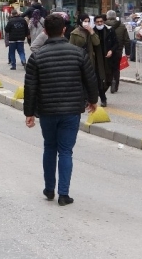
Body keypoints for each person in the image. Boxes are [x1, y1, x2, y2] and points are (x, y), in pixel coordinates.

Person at [24, 14, 98, 206]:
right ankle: (64, 194)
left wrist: (29, 113)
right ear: (64, 30)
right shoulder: (78, 53)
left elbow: (30, 87)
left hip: (47, 110)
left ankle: (49, 189)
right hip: (71, 110)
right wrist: (93, 100)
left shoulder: (37, 57)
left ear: (45, 31)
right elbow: (90, 79)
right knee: (66, 151)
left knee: (49, 147)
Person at [69, 14, 102, 103]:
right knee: (81, 79)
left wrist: (92, 32)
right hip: (79, 58)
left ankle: (88, 98)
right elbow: (71, 46)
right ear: (80, 21)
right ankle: (82, 98)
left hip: (90, 58)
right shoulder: (74, 33)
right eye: (84, 21)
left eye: (88, 21)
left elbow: (97, 43)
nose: (86, 23)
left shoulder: (91, 31)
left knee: (89, 79)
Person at [92, 15, 116, 107]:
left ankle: (101, 91)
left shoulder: (110, 30)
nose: (99, 23)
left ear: (104, 21)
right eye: (97, 21)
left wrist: (111, 50)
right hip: (97, 59)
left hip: (108, 58)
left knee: (109, 79)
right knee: (99, 79)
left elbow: (115, 43)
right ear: (94, 22)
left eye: (101, 21)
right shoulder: (92, 32)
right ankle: (103, 98)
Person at [105, 10, 131, 93]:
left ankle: (108, 83)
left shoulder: (104, 25)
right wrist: (128, 53)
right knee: (116, 68)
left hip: (106, 51)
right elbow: (127, 40)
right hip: (118, 51)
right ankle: (115, 85)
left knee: (107, 68)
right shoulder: (122, 26)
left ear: (107, 16)